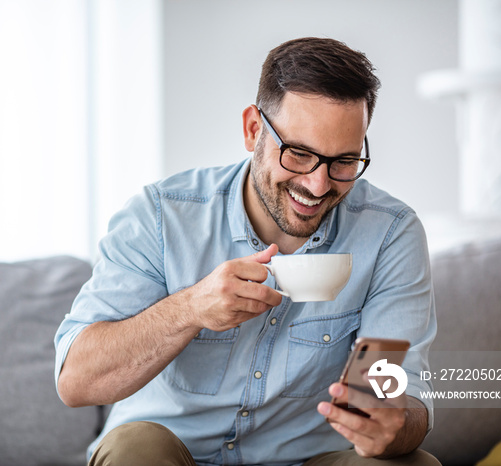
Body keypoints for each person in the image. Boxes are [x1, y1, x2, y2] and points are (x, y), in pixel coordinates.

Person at [55, 37, 439, 466]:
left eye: (343, 162)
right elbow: (76, 381)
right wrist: (189, 309)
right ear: (253, 129)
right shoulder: (161, 216)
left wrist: (390, 424)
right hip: (171, 454)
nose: (318, 185)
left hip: (307, 460)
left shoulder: (388, 234)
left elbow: (398, 396)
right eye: (299, 154)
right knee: (134, 449)